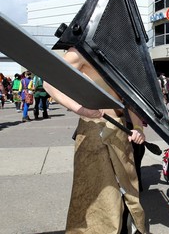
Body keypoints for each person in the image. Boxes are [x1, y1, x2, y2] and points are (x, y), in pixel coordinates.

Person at [43, 47, 146, 234]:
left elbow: (131, 96)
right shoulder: (82, 50)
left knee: (128, 190)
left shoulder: (123, 53)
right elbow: (50, 81)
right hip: (93, 129)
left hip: (122, 130)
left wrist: (137, 127)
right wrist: (79, 109)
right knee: (99, 192)